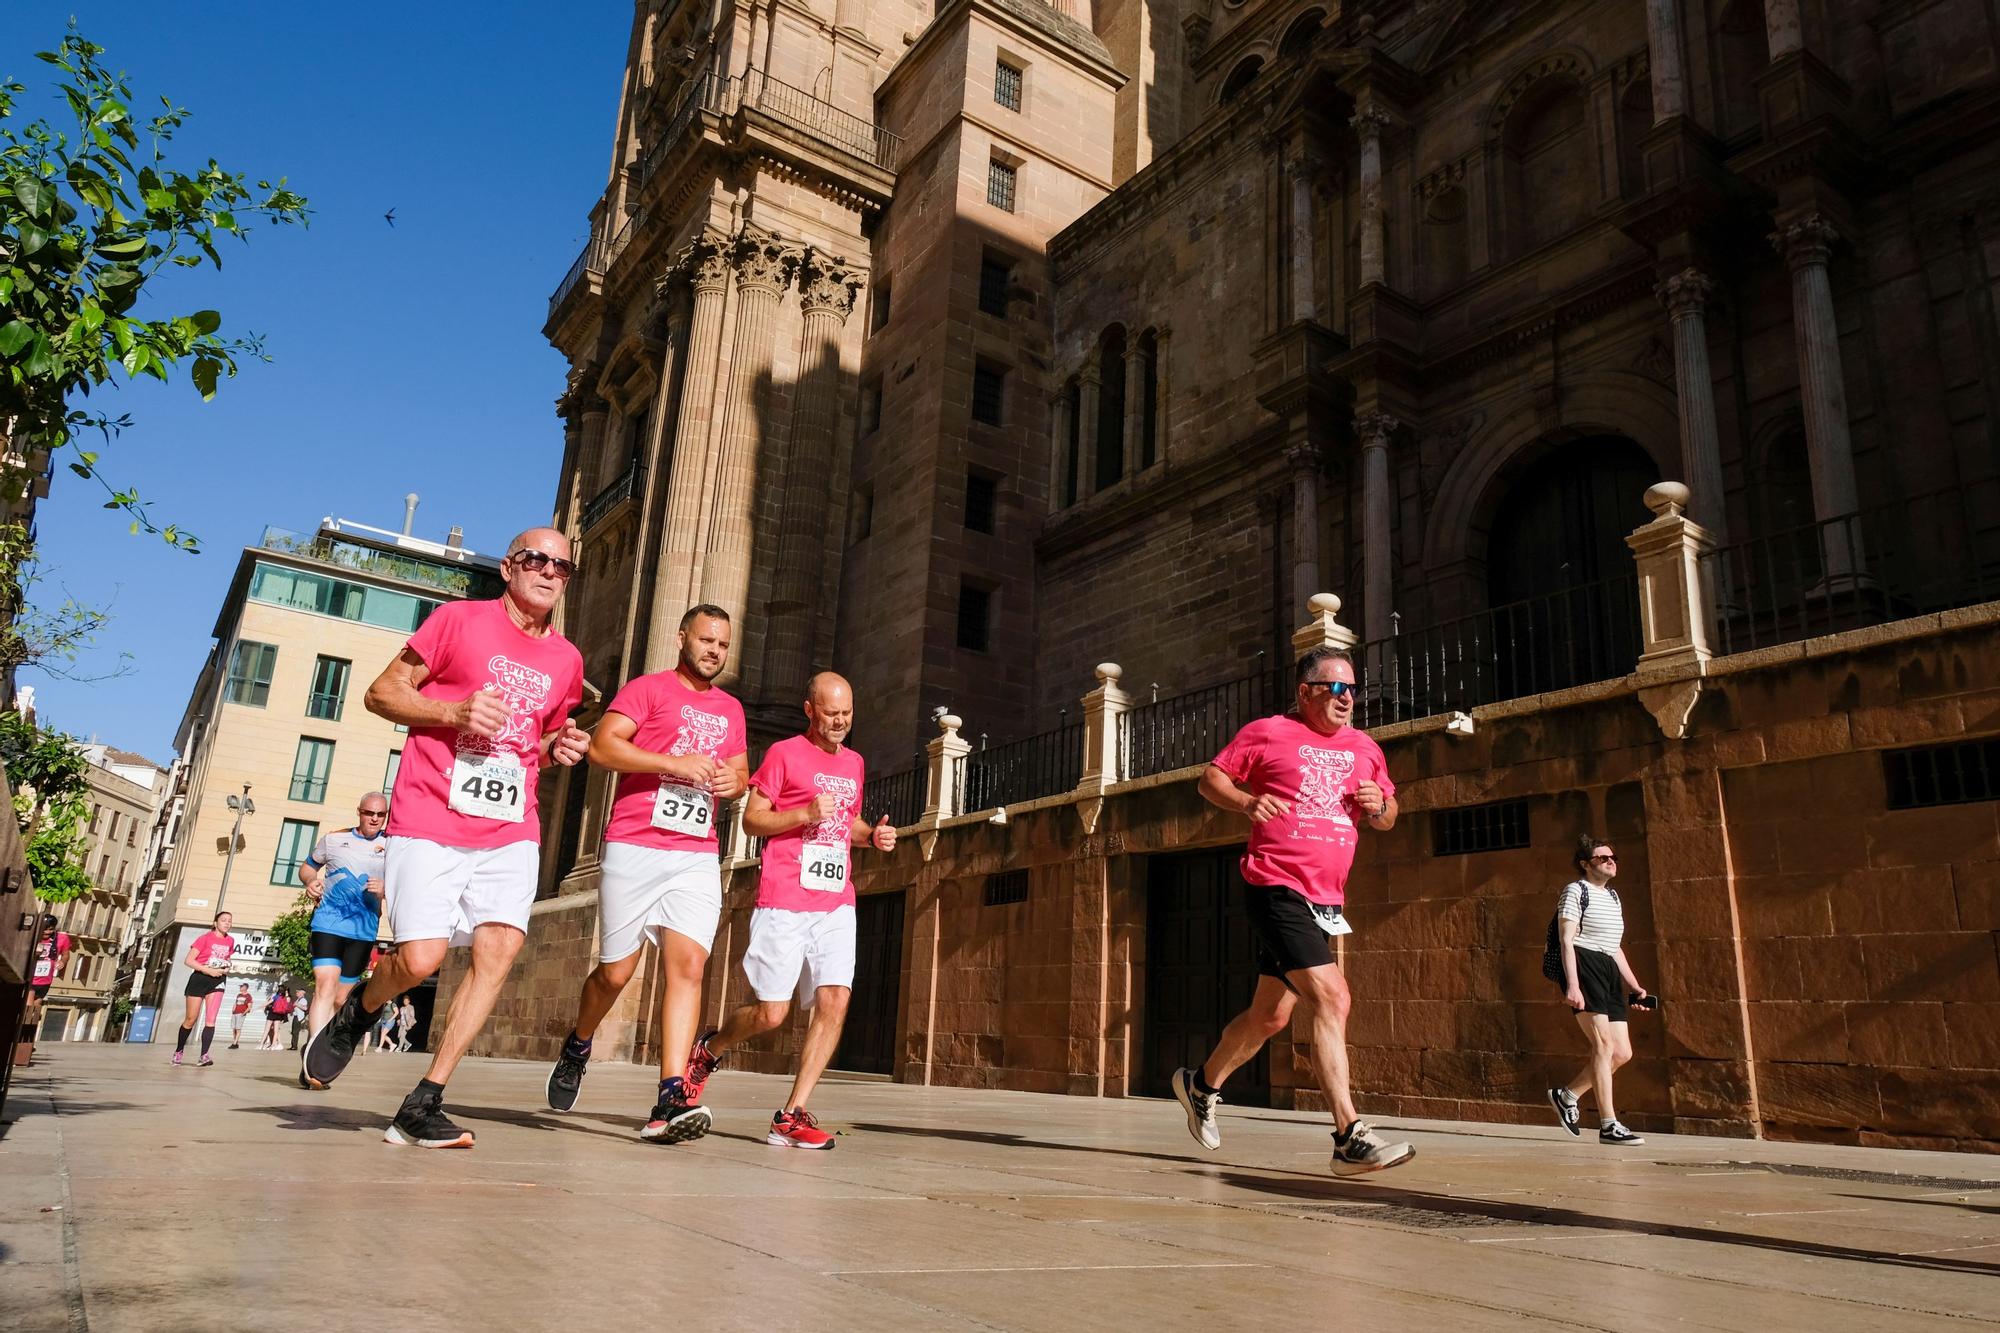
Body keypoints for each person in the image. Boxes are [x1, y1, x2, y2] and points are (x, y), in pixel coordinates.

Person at [302, 527, 589, 1150]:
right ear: (510, 568)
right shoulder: (457, 621)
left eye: (562, 566)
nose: (549, 571)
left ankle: (425, 1099)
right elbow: (382, 692)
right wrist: (453, 712)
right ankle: (361, 1009)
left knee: (499, 950)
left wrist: (559, 746)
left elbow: (536, 740)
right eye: (537, 559)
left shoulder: (567, 660)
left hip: (512, 826)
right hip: (431, 814)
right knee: (421, 960)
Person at [1169, 647, 1415, 1177]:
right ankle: (1349, 1136)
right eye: (1336, 688)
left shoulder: (1367, 749)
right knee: (1333, 996)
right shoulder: (1266, 732)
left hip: (1325, 899)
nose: (1348, 699)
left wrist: (1380, 805)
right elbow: (1210, 779)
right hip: (1274, 885)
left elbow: (1390, 814)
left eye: (1353, 689)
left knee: (1271, 1016)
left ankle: (1200, 1084)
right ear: (1306, 692)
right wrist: (1246, 803)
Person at [542, 605, 747, 1143]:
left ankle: (670, 1096)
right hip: (635, 846)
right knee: (615, 972)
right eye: (706, 640)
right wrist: (673, 764)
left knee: (688, 968)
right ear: (682, 637)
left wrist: (733, 782)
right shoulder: (647, 689)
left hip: (696, 853)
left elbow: (742, 769)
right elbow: (604, 748)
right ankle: (579, 1043)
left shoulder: (731, 710)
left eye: (722, 645)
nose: (714, 652)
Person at [684, 672, 896, 1150]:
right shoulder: (783, 754)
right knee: (771, 1013)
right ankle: (709, 1049)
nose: (839, 721)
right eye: (830, 712)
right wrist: (803, 814)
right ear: (809, 709)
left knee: (836, 998)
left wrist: (872, 836)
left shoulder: (856, 763)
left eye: (846, 714)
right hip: (784, 897)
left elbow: (848, 824)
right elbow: (755, 818)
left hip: (836, 900)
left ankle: (792, 1113)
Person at [1548, 835, 1650, 1147]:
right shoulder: (1575, 891)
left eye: (1612, 857)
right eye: (1602, 858)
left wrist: (1634, 985)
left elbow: (1615, 947)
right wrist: (1574, 985)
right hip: (1584, 964)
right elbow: (1566, 940)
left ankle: (1567, 1096)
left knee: (1622, 1052)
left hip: (1607, 968)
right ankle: (1609, 1124)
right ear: (1585, 864)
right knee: (1603, 1046)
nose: (1610, 861)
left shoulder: (1614, 898)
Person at [297, 793, 390, 1052]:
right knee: (325, 986)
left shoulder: (393, 846)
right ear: (359, 811)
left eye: (380, 814)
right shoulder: (335, 839)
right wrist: (310, 882)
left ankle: (323, 1045)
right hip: (328, 924)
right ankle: (315, 1051)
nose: (374, 818)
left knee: (341, 999)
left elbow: (406, 887)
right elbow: (307, 868)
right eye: (369, 812)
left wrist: (386, 888)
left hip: (363, 930)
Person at [173, 911, 237, 1067]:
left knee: (211, 1020)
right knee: (191, 1019)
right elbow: (188, 960)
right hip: (200, 978)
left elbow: (226, 958)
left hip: (218, 980)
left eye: (229, 921)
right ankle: (179, 1051)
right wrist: (207, 970)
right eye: (223, 920)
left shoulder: (230, 940)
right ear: (215, 923)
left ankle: (204, 1055)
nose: (227, 923)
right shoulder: (205, 938)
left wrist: (227, 967)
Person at [27, 914, 72, 1036]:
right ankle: (22, 1036)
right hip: (31, 979)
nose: (47, 932)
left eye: (50, 929)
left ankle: (28, 1038)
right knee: (29, 1008)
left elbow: (66, 954)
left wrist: (63, 961)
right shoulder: (32, 934)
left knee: (36, 1009)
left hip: (45, 981)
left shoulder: (62, 938)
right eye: (45, 929)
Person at [228, 984, 253, 1048]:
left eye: (241, 987)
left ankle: (234, 1044)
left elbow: (249, 1007)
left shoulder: (248, 996)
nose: (240, 988)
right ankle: (236, 1043)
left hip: (241, 1014)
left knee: (238, 1029)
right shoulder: (239, 995)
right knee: (234, 1029)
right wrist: (233, 1010)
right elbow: (235, 1003)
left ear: (245, 988)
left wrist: (243, 1013)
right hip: (235, 1013)